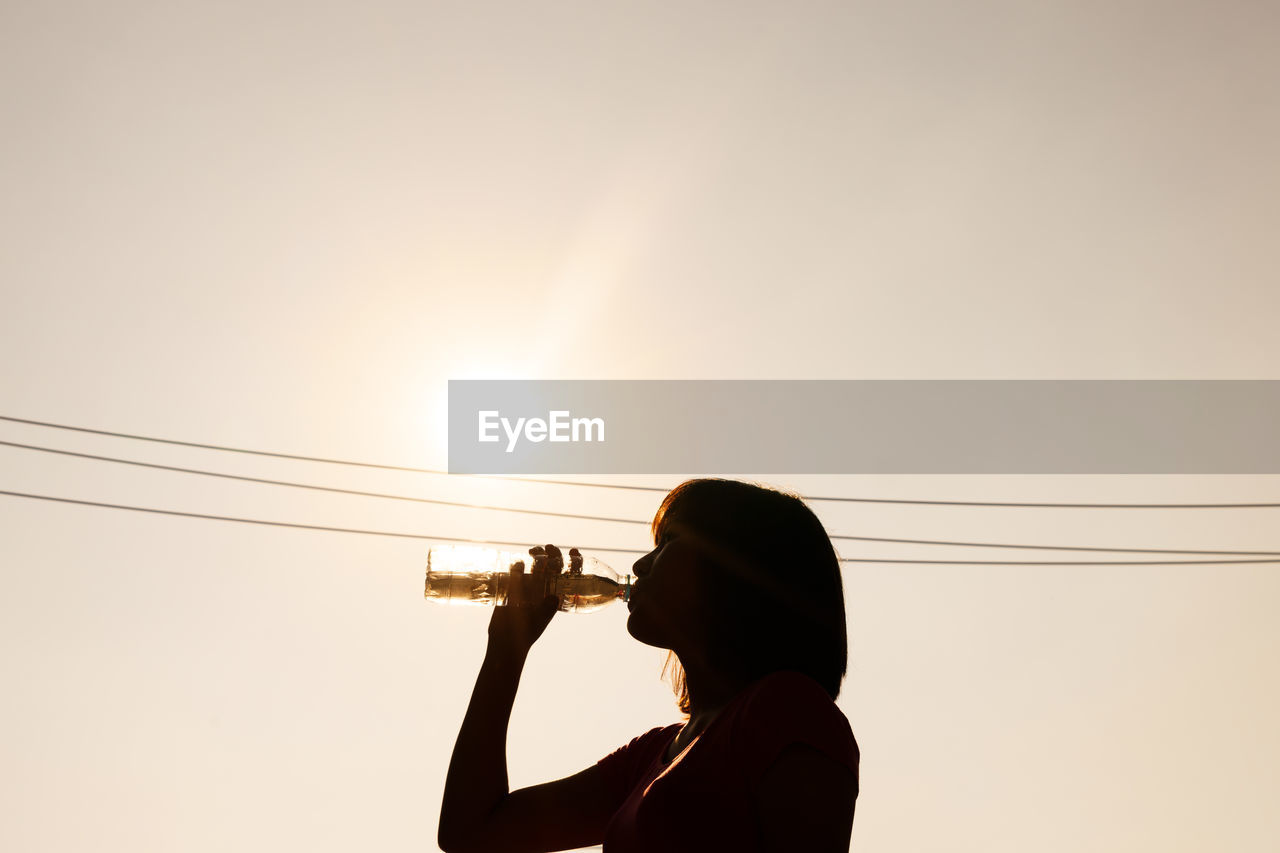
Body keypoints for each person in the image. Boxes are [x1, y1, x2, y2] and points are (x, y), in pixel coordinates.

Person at [438, 478, 859, 852]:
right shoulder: (652, 756)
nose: (639, 565)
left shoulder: (787, 710)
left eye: (668, 543)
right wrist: (506, 652)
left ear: (737, 570)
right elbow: (472, 833)